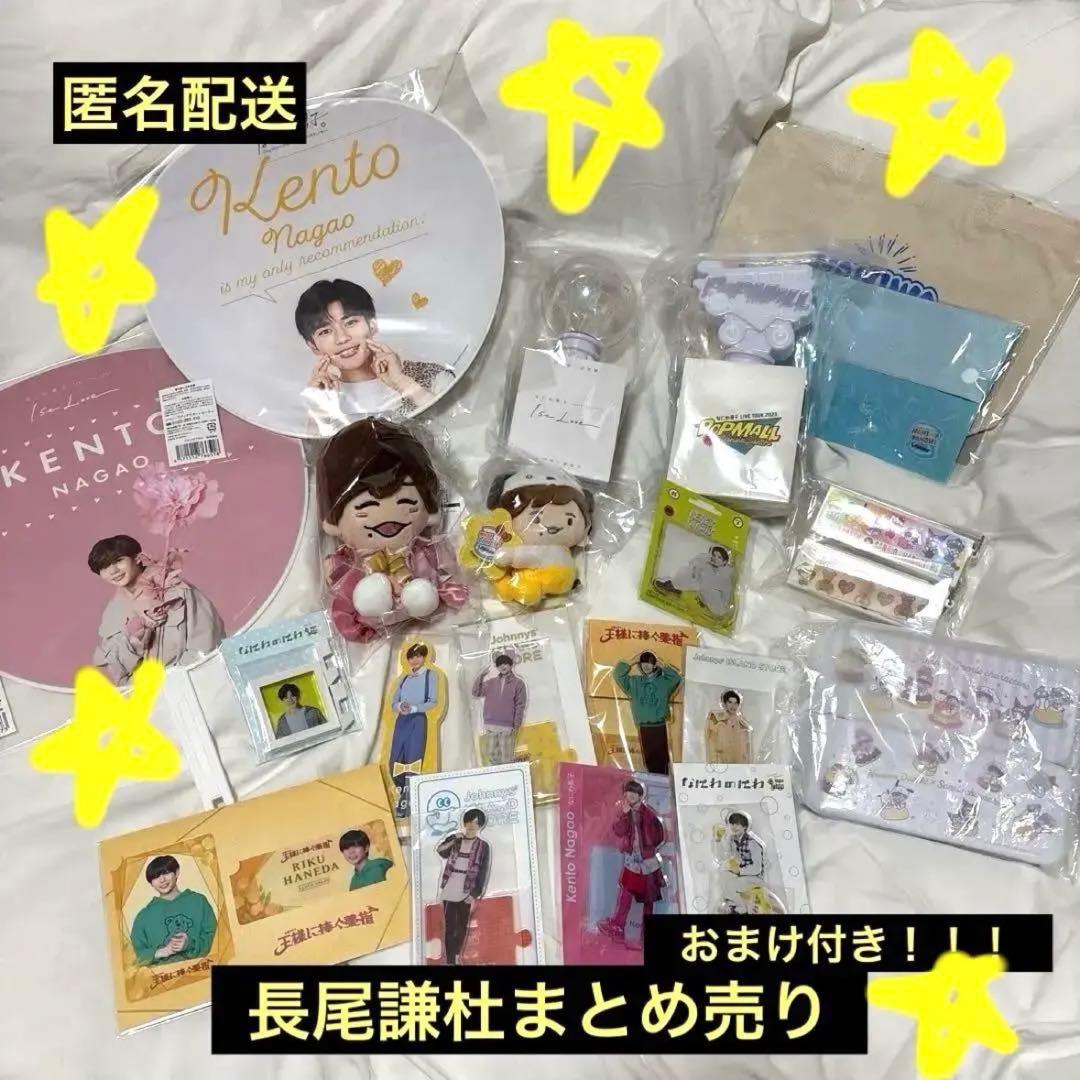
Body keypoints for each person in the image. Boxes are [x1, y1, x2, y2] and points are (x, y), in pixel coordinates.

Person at [317, 417, 468, 643]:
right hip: (372, 618)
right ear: (333, 519)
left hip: (431, 622)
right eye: (366, 506)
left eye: (406, 503)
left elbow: (447, 571)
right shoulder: (349, 563)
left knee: (422, 594)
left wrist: (447, 589)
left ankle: (418, 599)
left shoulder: (423, 552)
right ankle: (377, 601)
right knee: (368, 594)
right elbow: (339, 594)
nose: (387, 516)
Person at [295, 278, 452, 418]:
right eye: (325, 331)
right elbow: (314, 442)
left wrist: (402, 381)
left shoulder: (434, 376)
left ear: (372, 325)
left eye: (350, 322)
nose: (342, 338)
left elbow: (454, 423)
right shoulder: (314, 400)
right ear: (313, 346)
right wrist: (317, 408)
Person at [88, 534, 225, 686]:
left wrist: (175, 682)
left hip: (191, 685)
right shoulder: (112, 612)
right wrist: (134, 641)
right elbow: (117, 670)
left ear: (137, 558)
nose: (113, 571)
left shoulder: (176, 590)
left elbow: (207, 640)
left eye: (118, 561)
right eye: (104, 567)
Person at [597, 779, 666, 948]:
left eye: (634, 792)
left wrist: (647, 850)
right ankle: (618, 926)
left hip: (647, 864)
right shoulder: (628, 813)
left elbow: (658, 836)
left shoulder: (648, 815)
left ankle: (639, 935)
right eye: (628, 792)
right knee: (626, 894)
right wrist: (624, 814)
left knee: (647, 900)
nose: (630, 795)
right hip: (633, 862)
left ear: (641, 795)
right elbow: (618, 831)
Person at [129, 855, 217, 966]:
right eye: (155, 877)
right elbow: (133, 956)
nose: (162, 880)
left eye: (166, 872)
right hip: (164, 976)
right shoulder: (143, 917)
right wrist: (159, 952)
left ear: (177, 872)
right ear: (151, 883)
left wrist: (189, 944)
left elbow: (217, 938)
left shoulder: (198, 901)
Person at [387, 643, 439, 817]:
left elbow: (432, 701)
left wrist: (415, 708)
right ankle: (405, 793)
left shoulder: (430, 675)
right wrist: (400, 706)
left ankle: (406, 803)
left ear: (424, 657)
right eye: (411, 657)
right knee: (395, 762)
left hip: (417, 719)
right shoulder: (404, 678)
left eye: (418, 656)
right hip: (401, 720)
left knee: (413, 762)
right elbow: (394, 701)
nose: (414, 660)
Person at [435, 809, 491, 965]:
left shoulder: (483, 846)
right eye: (469, 821)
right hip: (451, 885)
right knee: (450, 926)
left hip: (466, 889)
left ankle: (457, 954)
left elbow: (483, 871)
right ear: (464, 823)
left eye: (476, 822)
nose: (472, 825)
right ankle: (450, 960)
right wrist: (453, 839)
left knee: (461, 926)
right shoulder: (456, 840)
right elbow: (441, 851)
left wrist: (474, 893)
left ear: (480, 825)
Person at [612, 651, 682, 774]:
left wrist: (663, 664)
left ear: (654, 664)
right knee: (649, 759)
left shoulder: (664, 682)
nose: (646, 666)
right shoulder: (634, 682)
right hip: (643, 726)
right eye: (643, 663)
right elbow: (618, 675)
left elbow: (676, 678)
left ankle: (664, 780)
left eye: (648, 663)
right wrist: (631, 661)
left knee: (662, 758)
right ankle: (654, 780)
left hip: (660, 725)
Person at [472, 653, 528, 765]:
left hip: (507, 726)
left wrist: (516, 724)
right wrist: (481, 676)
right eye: (500, 664)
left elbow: (520, 704)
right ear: (497, 667)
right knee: (491, 756)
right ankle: (498, 774)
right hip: (490, 724)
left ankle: (510, 774)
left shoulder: (518, 683)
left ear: (511, 665)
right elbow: (476, 692)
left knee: (507, 758)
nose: (503, 666)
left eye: (505, 663)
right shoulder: (491, 683)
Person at [715, 812, 767, 914]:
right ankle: (732, 905)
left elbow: (757, 868)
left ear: (745, 826)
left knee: (732, 885)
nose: (734, 827)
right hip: (739, 874)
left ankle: (741, 908)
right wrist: (719, 840)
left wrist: (740, 871)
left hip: (754, 877)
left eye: (738, 824)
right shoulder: (732, 839)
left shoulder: (753, 843)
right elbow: (726, 856)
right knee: (721, 879)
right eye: (732, 824)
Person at [666, 544, 734, 617]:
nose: (715, 558)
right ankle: (672, 587)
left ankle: (673, 587)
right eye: (714, 555)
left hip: (716, 607)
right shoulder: (705, 563)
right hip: (695, 595)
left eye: (719, 557)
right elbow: (692, 569)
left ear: (724, 562)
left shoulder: (723, 578)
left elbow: (704, 584)